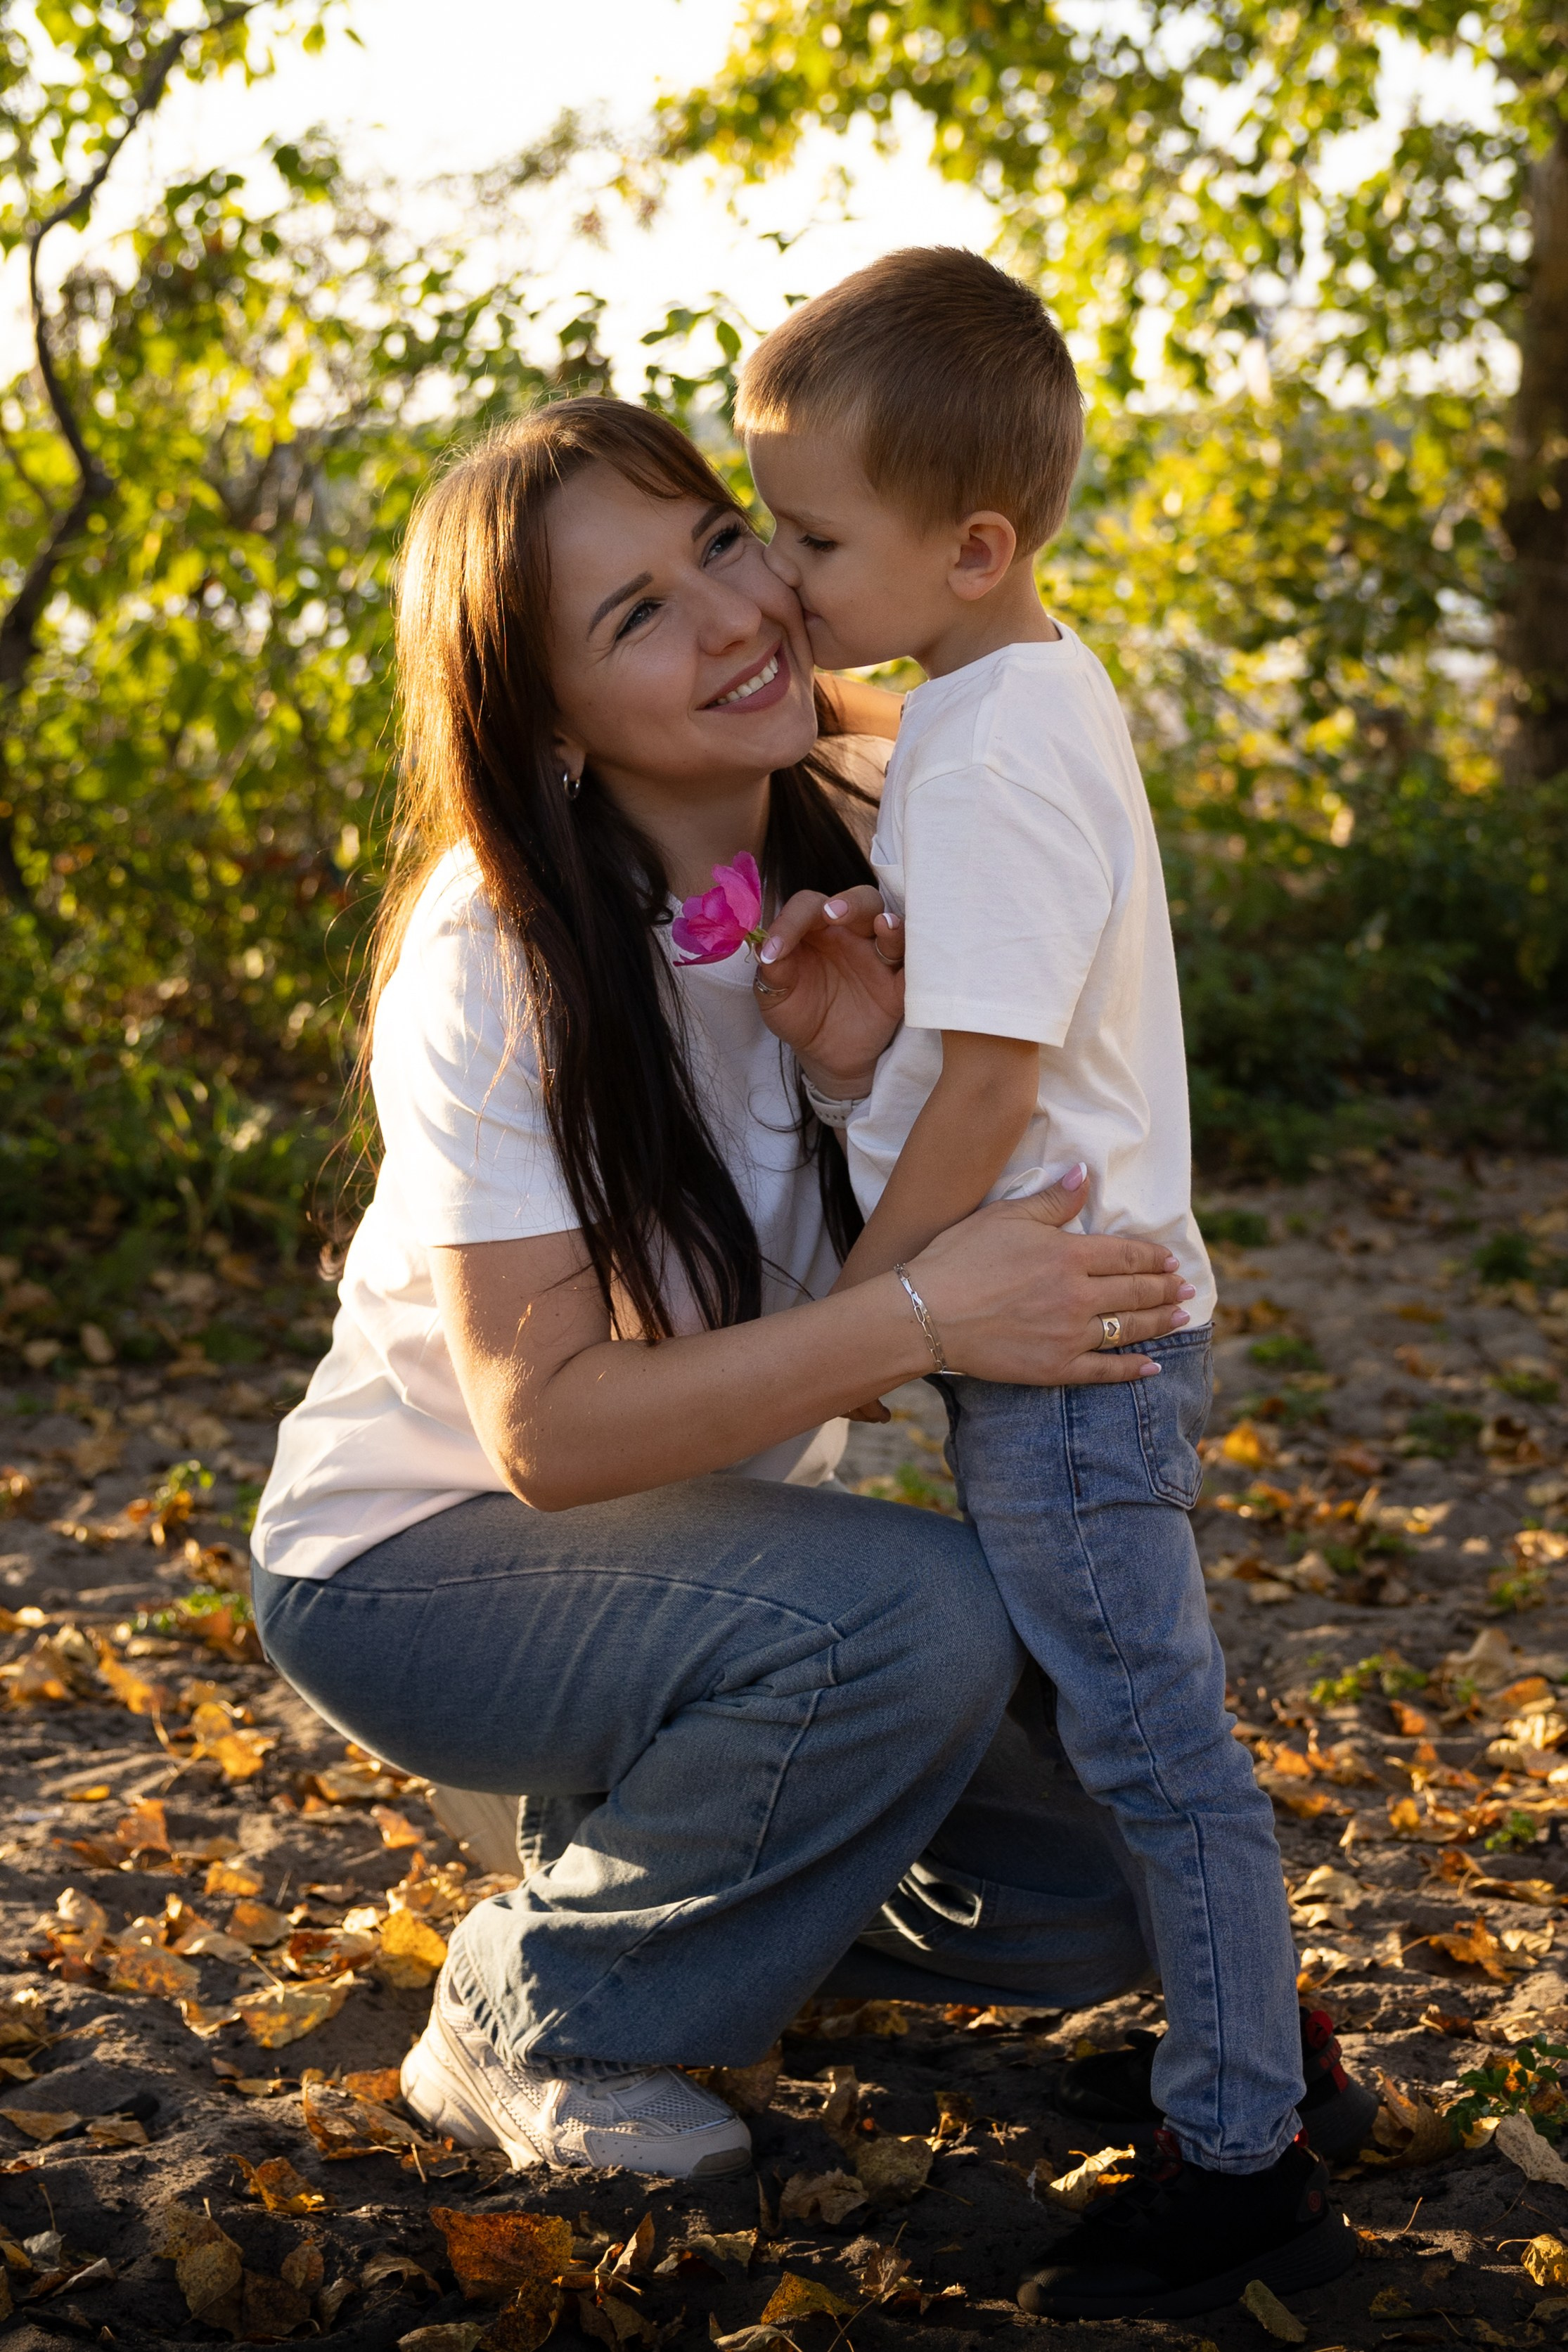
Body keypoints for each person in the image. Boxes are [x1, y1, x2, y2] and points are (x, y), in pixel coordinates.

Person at [248, 397, 1195, 2187]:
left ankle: (640, 1845)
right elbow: (538, 1430)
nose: (733, 613)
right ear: (538, 718)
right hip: (418, 1567)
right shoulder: (494, 958)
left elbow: (1027, 736)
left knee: (1117, 1868)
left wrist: (869, 1095)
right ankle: (542, 2008)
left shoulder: (868, 807)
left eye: (720, 543)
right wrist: (924, 1315)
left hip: (700, 1555)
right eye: (635, 615)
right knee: (910, 1621)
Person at [740, 248, 1363, 2316]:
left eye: (810, 534)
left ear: (971, 542)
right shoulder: (1027, 696)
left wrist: (859, 1301)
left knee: (1148, 1746)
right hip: (1074, 1316)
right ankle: (1280, 2060)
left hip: (1067, 1344)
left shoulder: (983, 747)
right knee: (1109, 1717)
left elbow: (993, 1075)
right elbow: (959, 1045)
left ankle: (1238, 2149)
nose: (778, 572)